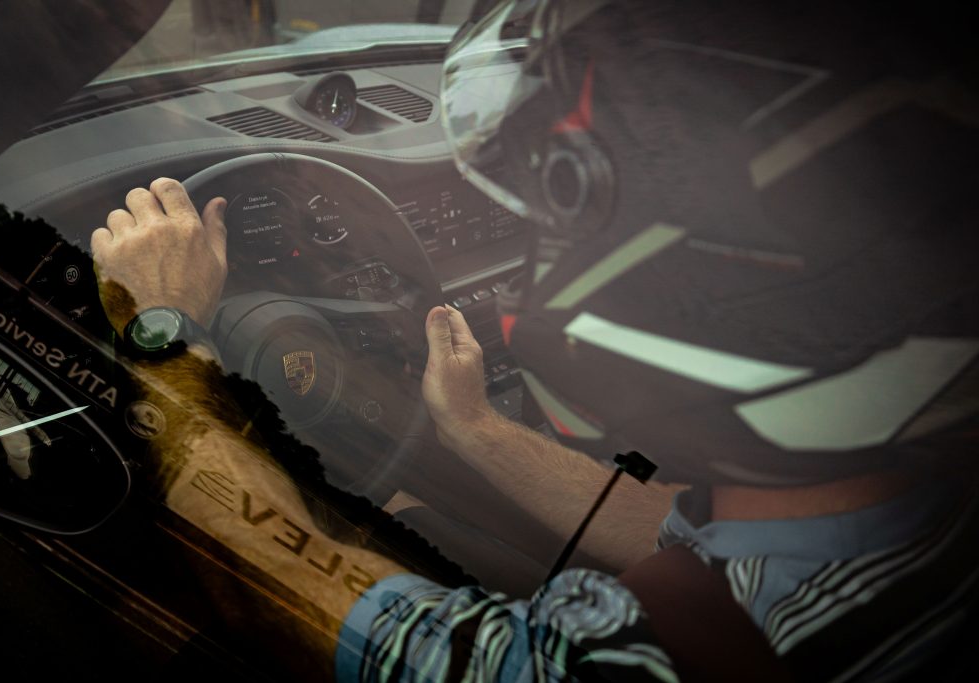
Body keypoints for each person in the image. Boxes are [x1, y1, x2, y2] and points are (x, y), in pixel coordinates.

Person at [91, 0, 979, 680]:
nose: (537, 248)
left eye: (564, 209)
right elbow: (689, 534)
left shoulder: (627, 663)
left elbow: (266, 581)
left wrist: (161, 326)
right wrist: (476, 427)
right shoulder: (912, 505)